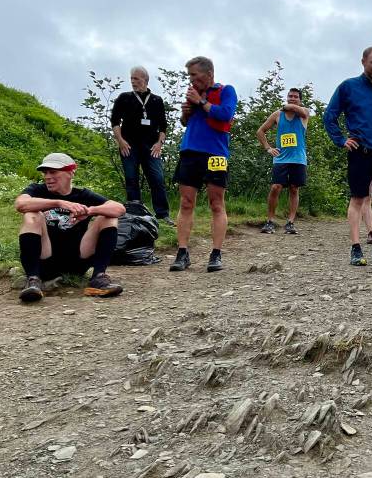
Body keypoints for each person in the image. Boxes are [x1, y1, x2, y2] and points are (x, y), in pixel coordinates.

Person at [324, 47, 372, 266]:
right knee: (358, 199)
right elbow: (329, 116)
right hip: (361, 151)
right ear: (363, 62)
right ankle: (356, 248)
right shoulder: (348, 87)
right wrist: (341, 140)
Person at [16, 153, 126, 302]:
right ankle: (33, 279)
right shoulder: (37, 190)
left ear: (70, 172)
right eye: (45, 172)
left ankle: (99, 277)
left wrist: (89, 211)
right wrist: (59, 203)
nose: (48, 176)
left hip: (78, 260)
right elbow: (21, 204)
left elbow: (119, 209)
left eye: (53, 172)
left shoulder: (83, 195)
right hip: (46, 261)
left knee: (109, 217)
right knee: (31, 215)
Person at [169, 56, 237, 273]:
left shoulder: (226, 90)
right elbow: (185, 123)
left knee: (216, 203)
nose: (191, 80)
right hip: (190, 150)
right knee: (186, 202)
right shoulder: (194, 95)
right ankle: (182, 253)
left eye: (194, 75)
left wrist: (200, 102)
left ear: (209, 74)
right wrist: (185, 112)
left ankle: (216, 254)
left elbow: (225, 114)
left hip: (216, 153)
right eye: (189, 76)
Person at [110, 66, 171, 224]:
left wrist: (160, 143)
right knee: (131, 178)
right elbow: (115, 122)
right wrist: (120, 141)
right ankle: (134, 215)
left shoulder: (157, 101)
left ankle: (163, 215)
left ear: (145, 80)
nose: (133, 81)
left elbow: (163, 127)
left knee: (157, 179)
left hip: (151, 147)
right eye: (131, 79)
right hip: (128, 146)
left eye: (136, 79)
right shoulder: (124, 97)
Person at [257, 87, 310, 235]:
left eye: (295, 97)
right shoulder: (277, 115)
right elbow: (260, 131)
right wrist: (268, 148)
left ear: (300, 100)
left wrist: (288, 106)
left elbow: (301, 111)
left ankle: (290, 222)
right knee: (276, 187)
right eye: (290, 96)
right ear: (287, 97)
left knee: (294, 188)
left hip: (298, 159)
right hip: (280, 158)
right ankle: (270, 221)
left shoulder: (303, 114)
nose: (292, 98)